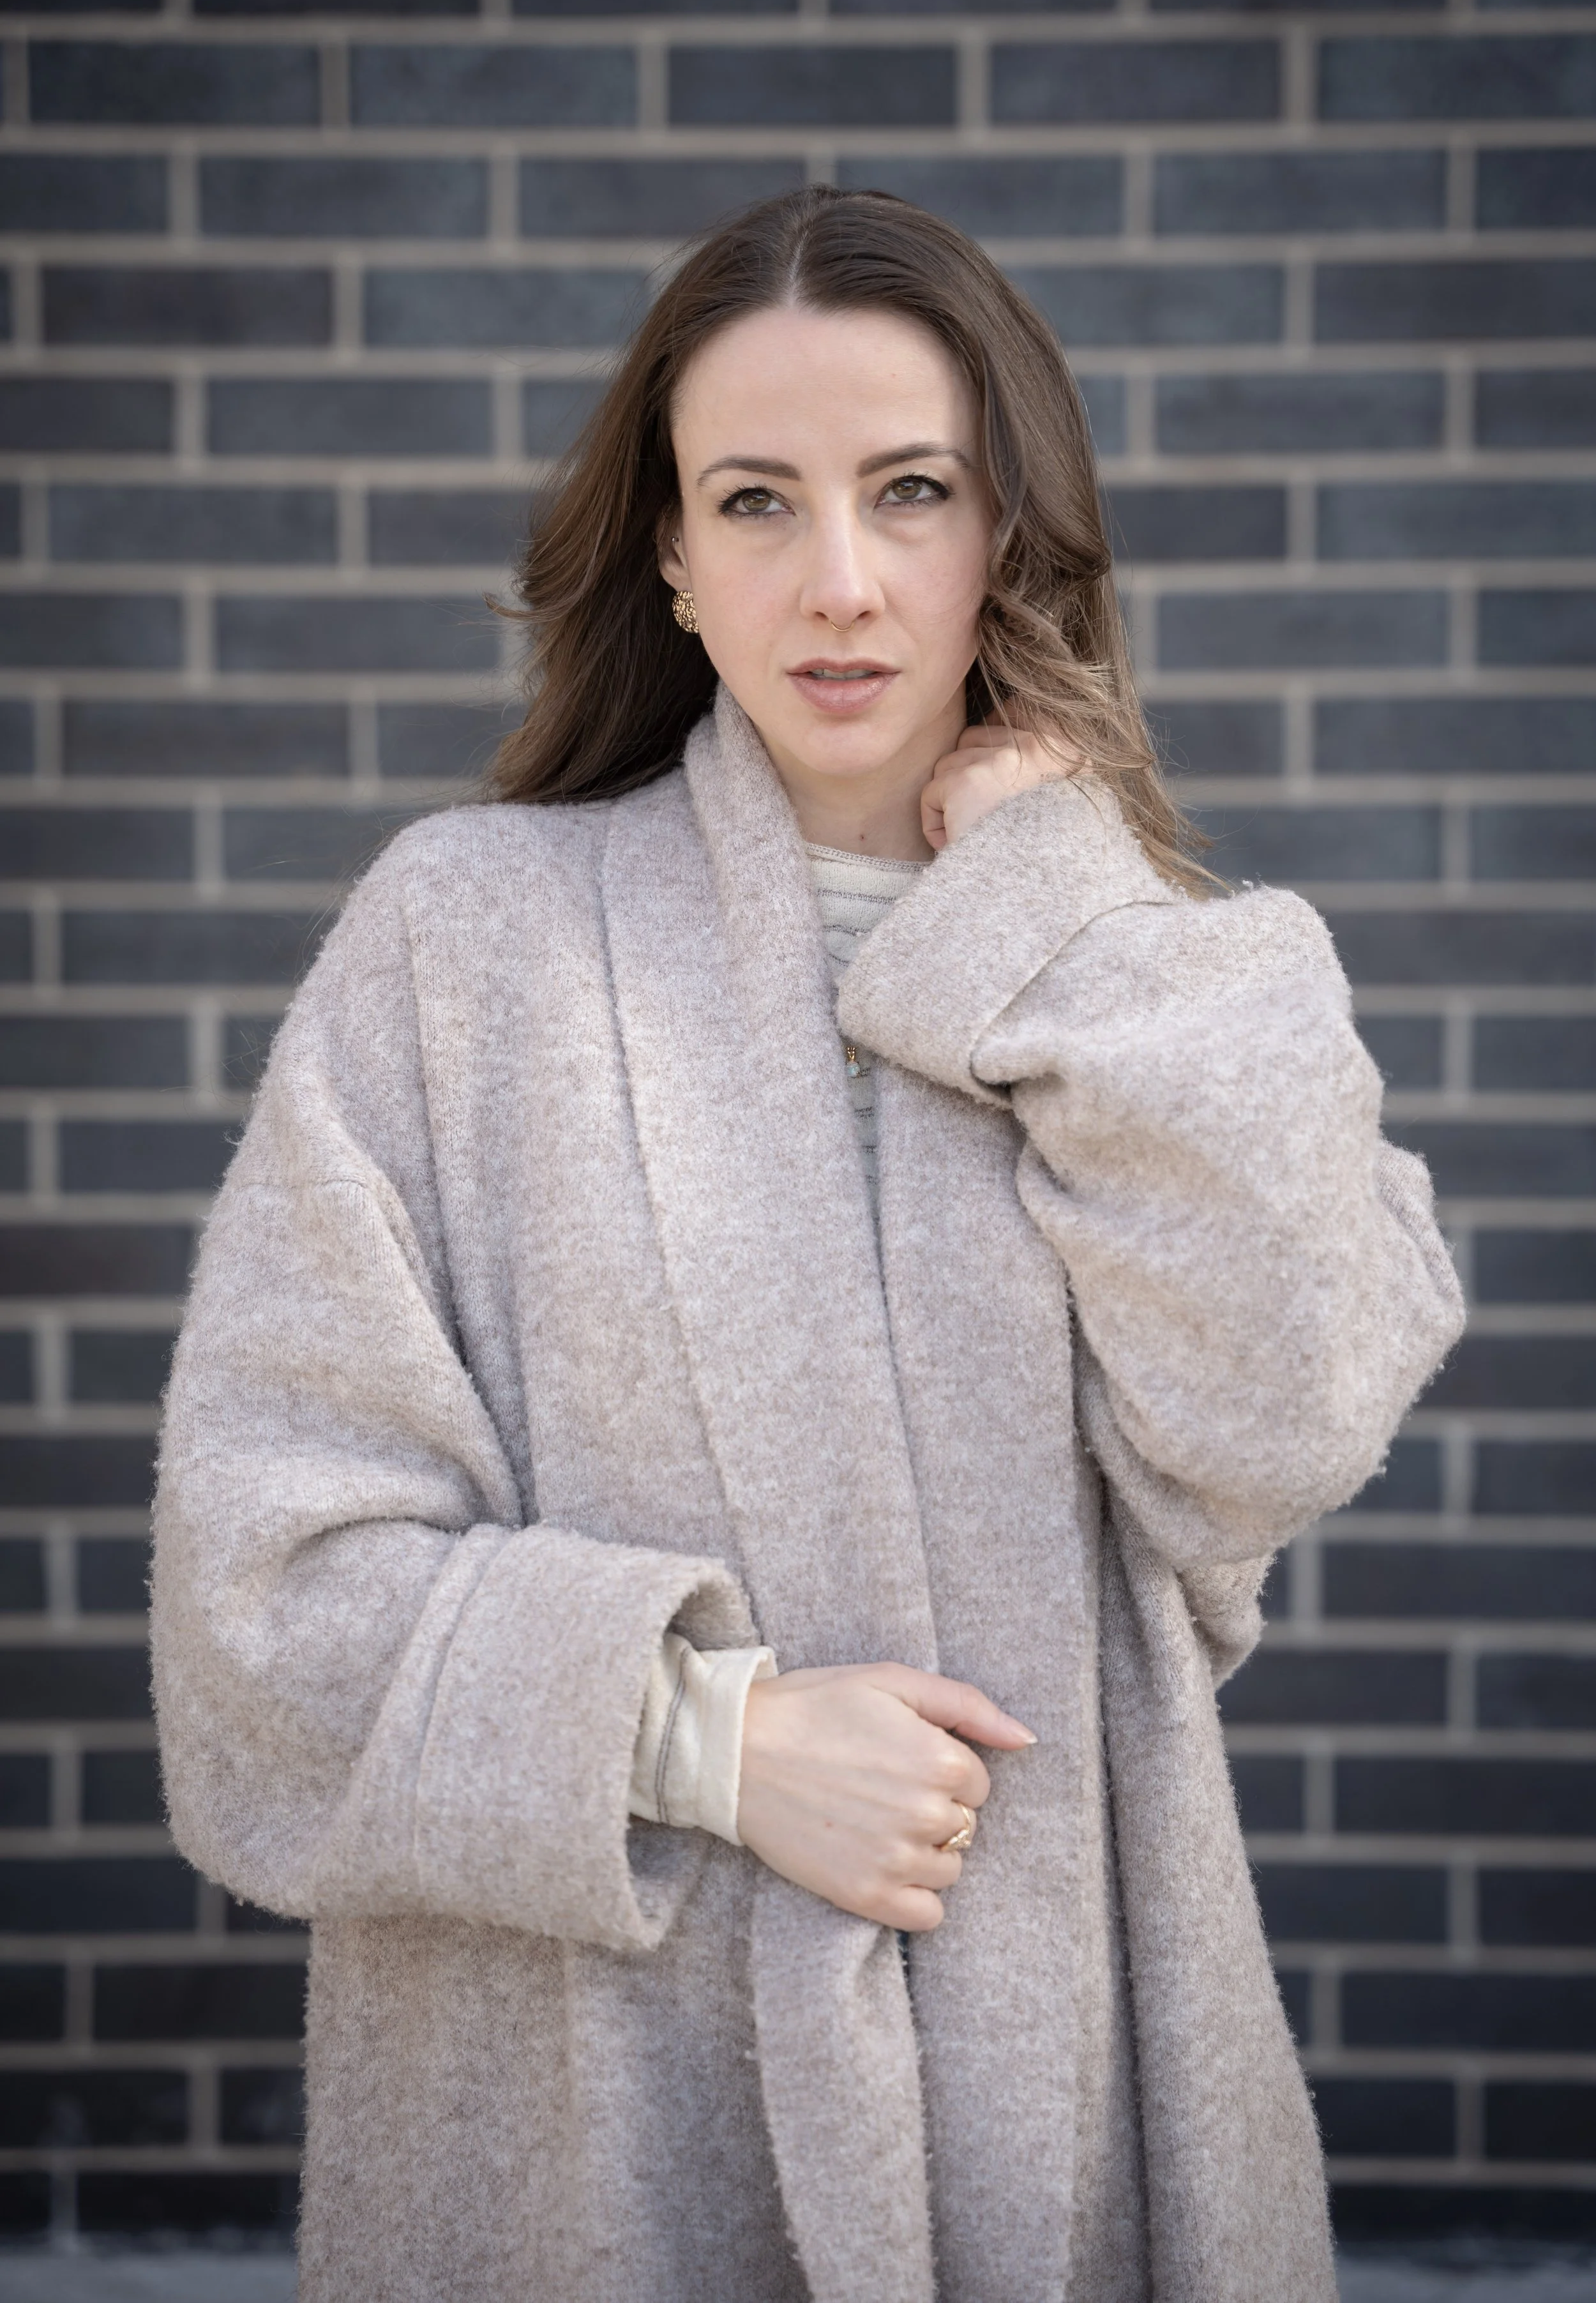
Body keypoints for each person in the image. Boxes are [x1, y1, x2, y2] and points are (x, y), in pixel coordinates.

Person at [151, 187, 1464, 2303]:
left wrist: (1057, 905)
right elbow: (257, 1609)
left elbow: (1280, 1420)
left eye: (911, 491)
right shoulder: (460, 941)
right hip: (595, 2132)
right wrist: (708, 1741)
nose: (838, 583)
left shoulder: (1154, 972)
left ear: (1007, 537)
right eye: (755, 499)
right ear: (668, 552)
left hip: (1077, 2113)